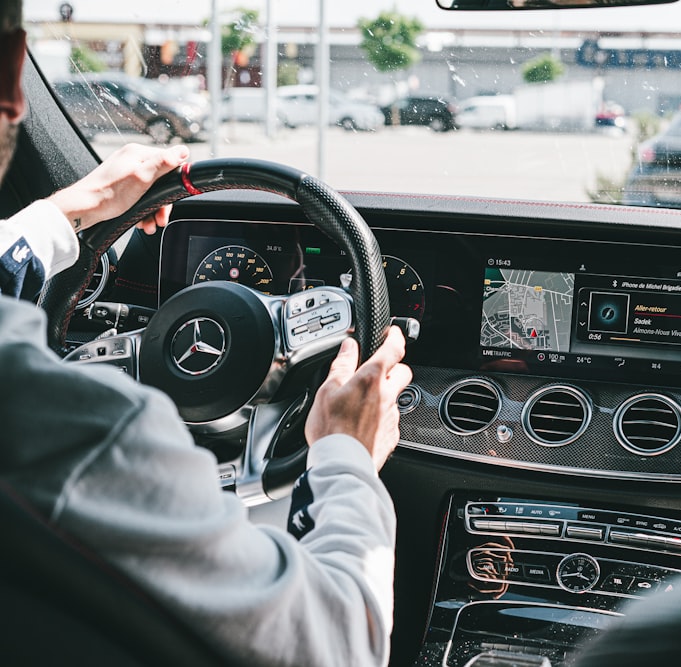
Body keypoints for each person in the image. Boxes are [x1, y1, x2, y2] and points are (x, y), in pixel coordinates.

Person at [0, 2, 412, 665]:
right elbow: (341, 643)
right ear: (13, 74)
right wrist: (345, 457)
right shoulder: (78, 434)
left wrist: (65, 212)